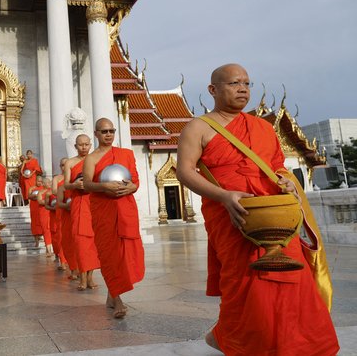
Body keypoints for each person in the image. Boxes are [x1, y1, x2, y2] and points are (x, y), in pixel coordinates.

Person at [176, 63, 339, 355]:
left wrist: (288, 183)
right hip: (234, 218)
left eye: (247, 84)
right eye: (234, 83)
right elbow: (185, 172)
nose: (243, 89)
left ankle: (296, 347)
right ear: (213, 90)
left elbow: (277, 168)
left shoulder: (263, 127)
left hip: (277, 217)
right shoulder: (198, 128)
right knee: (247, 285)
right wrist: (224, 197)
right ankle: (243, 342)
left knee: (293, 280)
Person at [83, 118, 144, 319]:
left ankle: (111, 294)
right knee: (110, 254)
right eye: (104, 131)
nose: (108, 135)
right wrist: (104, 187)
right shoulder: (91, 159)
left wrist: (132, 187)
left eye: (111, 131)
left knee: (125, 255)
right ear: (96, 134)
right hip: (104, 210)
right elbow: (88, 185)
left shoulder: (125, 154)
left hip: (125, 208)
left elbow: (135, 180)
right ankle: (117, 300)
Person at [65, 134, 100, 291]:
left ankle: (90, 277)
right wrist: (75, 185)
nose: (84, 147)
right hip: (78, 204)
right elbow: (66, 185)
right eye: (81, 145)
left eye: (87, 144)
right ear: (75, 146)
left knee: (92, 243)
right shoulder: (70, 163)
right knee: (80, 242)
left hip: (93, 203)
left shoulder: (95, 160)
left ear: (91, 144)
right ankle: (82, 277)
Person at [37, 178, 54, 256]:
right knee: (46, 230)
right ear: (43, 184)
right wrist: (48, 202)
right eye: (47, 183)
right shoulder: (40, 192)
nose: (49, 184)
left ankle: (53, 249)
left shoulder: (52, 191)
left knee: (52, 229)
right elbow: (40, 201)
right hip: (43, 212)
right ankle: (48, 249)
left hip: (52, 211)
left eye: (50, 182)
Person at [28, 175, 45, 248]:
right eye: (38, 181)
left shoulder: (44, 188)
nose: (40, 183)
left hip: (41, 207)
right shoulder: (32, 188)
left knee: (42, 222)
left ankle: (44, 239)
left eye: (41, 181)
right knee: (34, 222)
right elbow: (29, 196)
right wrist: (35, 196)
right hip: (34, 207)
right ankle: (36, 241)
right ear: (35, 181)